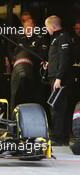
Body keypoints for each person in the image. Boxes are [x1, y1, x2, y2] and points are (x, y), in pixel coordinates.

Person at [9, 19, 48, 113]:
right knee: (17, 95)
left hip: (35, 74)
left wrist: (28, 57)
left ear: (34, 28)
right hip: (20, 74)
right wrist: (14, 58)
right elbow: (11, 50)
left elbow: (42, 55)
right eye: (26, 28)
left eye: (30, 27)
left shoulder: (40, 39)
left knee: (35, 98)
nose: (28, 29)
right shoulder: (20, 39)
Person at [44, 15, 73, 145]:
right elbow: (58, 59)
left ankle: (58, 137)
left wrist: (59, 78)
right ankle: (59, 136)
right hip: (55, 77)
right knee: (55, 107)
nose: (46, 29)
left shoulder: (62, 38)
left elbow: (64, 59)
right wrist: (49, 64)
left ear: (53, 26)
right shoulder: (55, 38)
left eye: (47, 27)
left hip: (59, 80)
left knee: (58, 108)